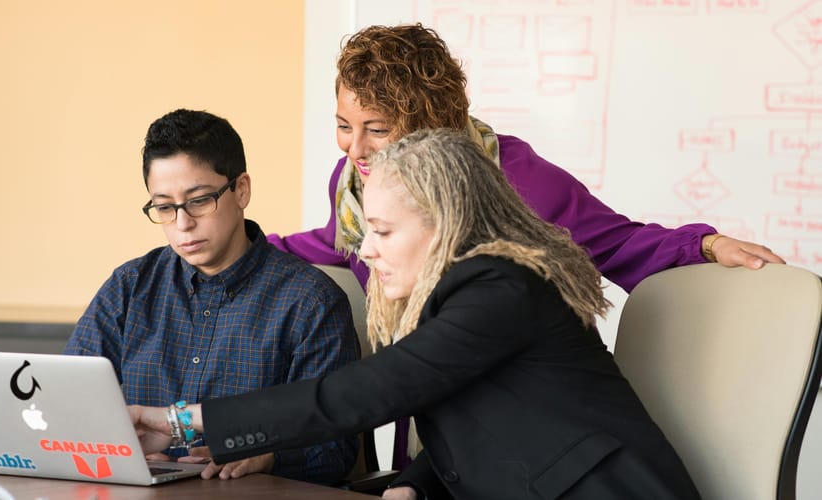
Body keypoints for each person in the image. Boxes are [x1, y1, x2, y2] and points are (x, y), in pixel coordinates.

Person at [266, 23, 785, 470]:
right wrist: (252, 247)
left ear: (429, 122)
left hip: (524, 429)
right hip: (436, 424)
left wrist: (707, 246)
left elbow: (618, 242)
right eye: (343, 125)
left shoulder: (519, 179)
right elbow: (339, 243)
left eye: (377, 129)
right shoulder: (355, 184)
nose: (354, 148)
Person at [130, 129, 702, 500]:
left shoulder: (500, 287)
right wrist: (415, 485)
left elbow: (364, 393)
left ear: (445, 221)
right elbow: (480, 419)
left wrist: (182, 422)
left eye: (381, 231)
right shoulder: (460, 296)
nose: (365, 250)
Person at [63, 109, 360, 484]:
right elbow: (68, 399)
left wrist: (269, 455)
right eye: (164, 207)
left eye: (199, 200)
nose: (183, 223)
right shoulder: (130, 287)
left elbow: (335, 450)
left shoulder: (310, 302)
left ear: (242, 190)